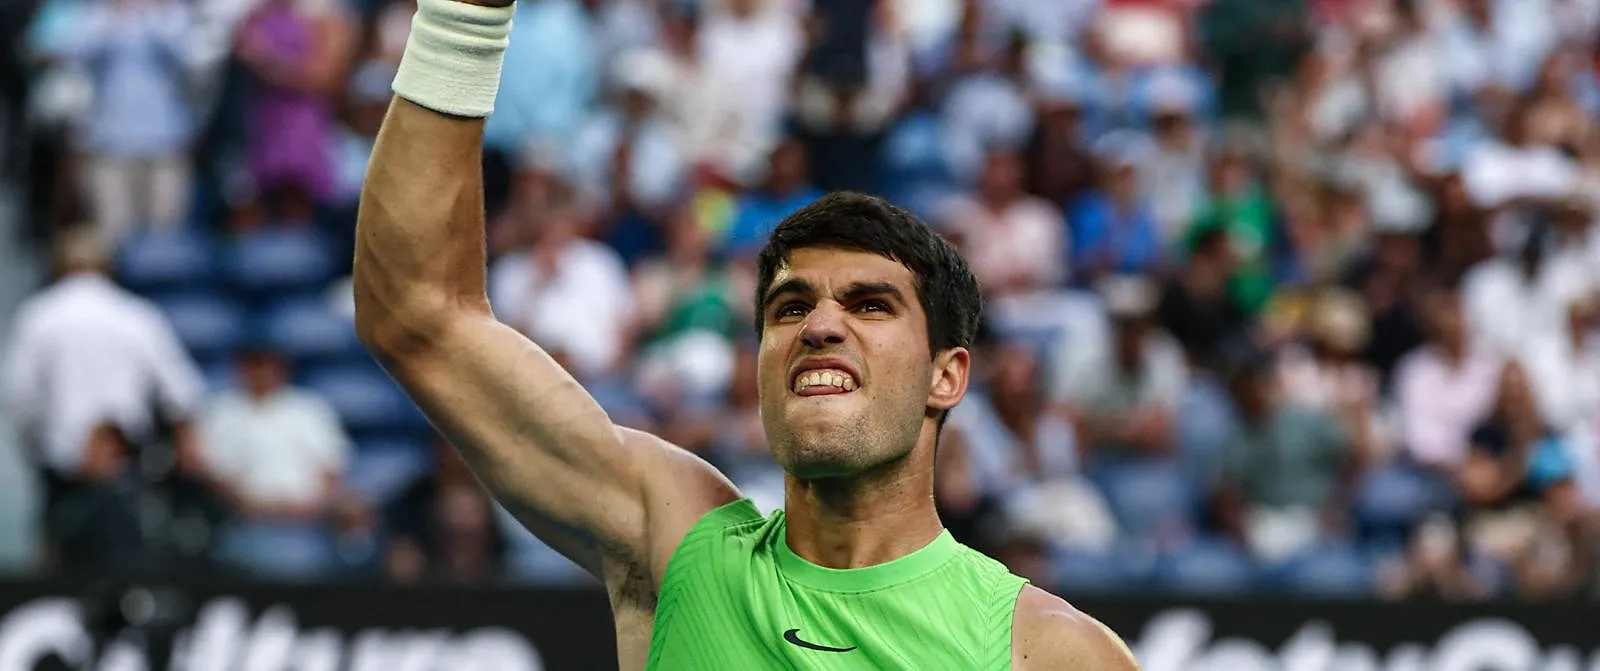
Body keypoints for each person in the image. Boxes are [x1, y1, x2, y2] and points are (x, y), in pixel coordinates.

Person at [352, 0, 1139, 667]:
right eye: (789, 307)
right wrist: (466, 12)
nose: (820, 324)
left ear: (948, 374)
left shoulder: (1048, 650)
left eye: (869, 304)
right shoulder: (675, 539)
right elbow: (417, 313)